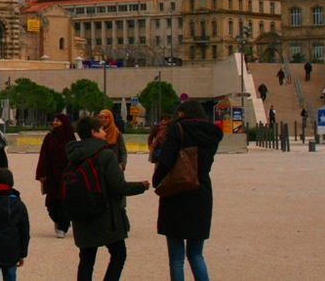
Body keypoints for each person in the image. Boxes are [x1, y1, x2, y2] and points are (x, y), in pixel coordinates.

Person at [66, 116, 150, 281]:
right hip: (105, 214)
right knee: (119, 254)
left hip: (81, 213)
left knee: (86, 259)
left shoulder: (73, 155)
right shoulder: (106, 155)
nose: (104, 132)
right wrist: (141, 186)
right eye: (101, 129)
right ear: (93, 132)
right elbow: (118, 186)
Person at [152, 100, 223, 281]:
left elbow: (166, 161)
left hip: (177, 190)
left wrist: (156, 181)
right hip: (201, 190)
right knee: (196, 254)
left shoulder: (178, 129)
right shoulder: (211, 133)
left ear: (183, 112)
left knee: (176, 257)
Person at [35, 113, 75, 238]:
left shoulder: (71, 138)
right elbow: (43, 156)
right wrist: (41, 173)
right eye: (54, 120)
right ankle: (59, 221)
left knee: (65, 202)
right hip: (52, 175)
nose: (55, 122)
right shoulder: (49, 138)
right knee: (51, 204)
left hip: (67, 176)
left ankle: (62, 226)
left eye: (58, 120)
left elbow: (76, 158)